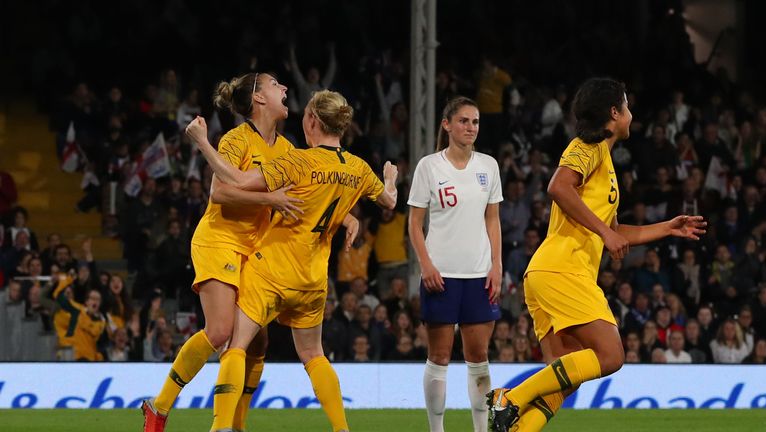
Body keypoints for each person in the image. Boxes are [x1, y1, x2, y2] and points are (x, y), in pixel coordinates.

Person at [487, 78, 707, 432]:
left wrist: (667, 227)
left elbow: (617, 232)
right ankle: (509, 398)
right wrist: (604, 232)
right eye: (627, 106)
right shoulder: (586, 148)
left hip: (548, 274)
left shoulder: (605, 163)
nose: (632, 114)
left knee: (565, 376)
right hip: (562, 270)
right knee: (611, 356)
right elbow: (558, 186)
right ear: (614, 113)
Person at [142, 72, 358, 432]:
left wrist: (347, 216)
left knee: (257, 344)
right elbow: (220, 193)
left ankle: (236, 425)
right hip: (220, 239)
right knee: (220, 331)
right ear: (258, 98)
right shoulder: (236, 139)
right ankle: (160, 407)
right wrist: (270, 198)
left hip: (256, 248)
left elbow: (313, 187)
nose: (285, 89)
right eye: (276, 85)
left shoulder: (287, 149)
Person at [187, 89, 397, 432]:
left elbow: (236, 179)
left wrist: (202, 142)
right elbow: (389, 200)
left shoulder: (299, 161)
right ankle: (342, 430)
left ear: (312, 119)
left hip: (272, 271)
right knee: (314, 355)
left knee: (235, 346)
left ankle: (223, 427)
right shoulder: (358, 168)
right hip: (313, 279)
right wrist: (389, 178)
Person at [408, 96, 503, 432]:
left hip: (479, 275)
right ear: (447, 125)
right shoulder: (429, 166)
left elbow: (493, 220)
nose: (470, 128)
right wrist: (426, 265)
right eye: (464, 121)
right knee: (440, 358)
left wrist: (497, 266)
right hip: (441, 275)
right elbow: (414, 223)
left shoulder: (488, 166)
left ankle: (481, 429)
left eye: (475, 122)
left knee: (479, 358)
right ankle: (437, 430)